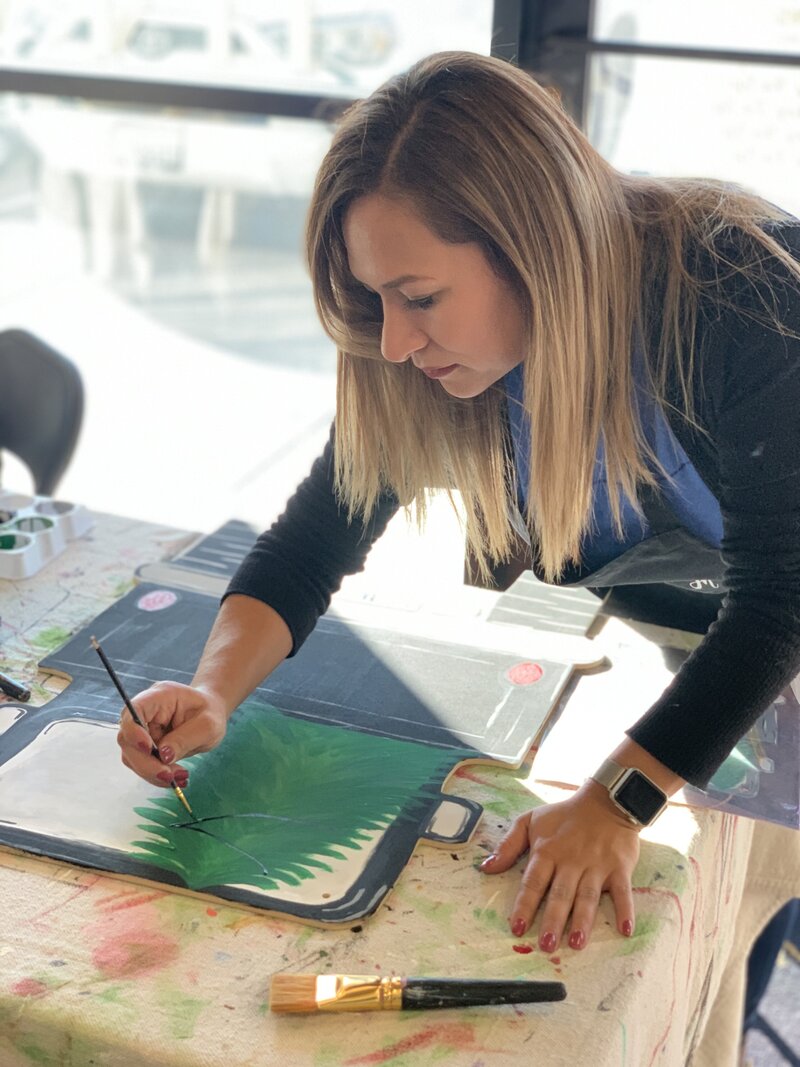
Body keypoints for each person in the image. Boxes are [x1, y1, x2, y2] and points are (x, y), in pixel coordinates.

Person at [118, 50, 800, 958]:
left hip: (774, 594)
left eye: (422, 297)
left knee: (751, 891)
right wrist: (213, 689)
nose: (396, 342)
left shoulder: (737, 294)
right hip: (703, 614)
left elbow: (781, 597)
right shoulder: (428, 353)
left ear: (533, 249)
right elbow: (314, 537)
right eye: (376, 299)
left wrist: (616, 798)